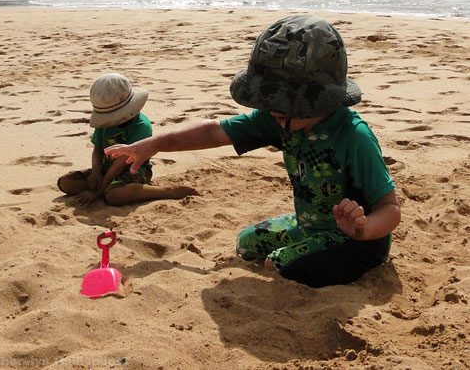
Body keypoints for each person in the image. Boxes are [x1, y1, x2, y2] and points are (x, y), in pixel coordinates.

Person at [105, 15, 401, 288]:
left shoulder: (354, 136)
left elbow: (390, 210)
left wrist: (362, 228)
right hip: (311, 226)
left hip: (355, 241)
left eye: (282, 105)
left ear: (317, 100)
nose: (272, 112)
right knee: (246, 244)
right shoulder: (282, 120)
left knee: (279, 263)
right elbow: (214, 131)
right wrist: (155, 143)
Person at [57, 73, 198, 206]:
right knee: (65, 183)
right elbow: (98, 148)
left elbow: (122, 162)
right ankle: (106, 187)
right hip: (106, 167)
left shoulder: (141, 125)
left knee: (113, 196)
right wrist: (95, 173)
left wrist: (98, 191)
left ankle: (166, 192)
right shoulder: (104, 124)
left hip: (134, 170)